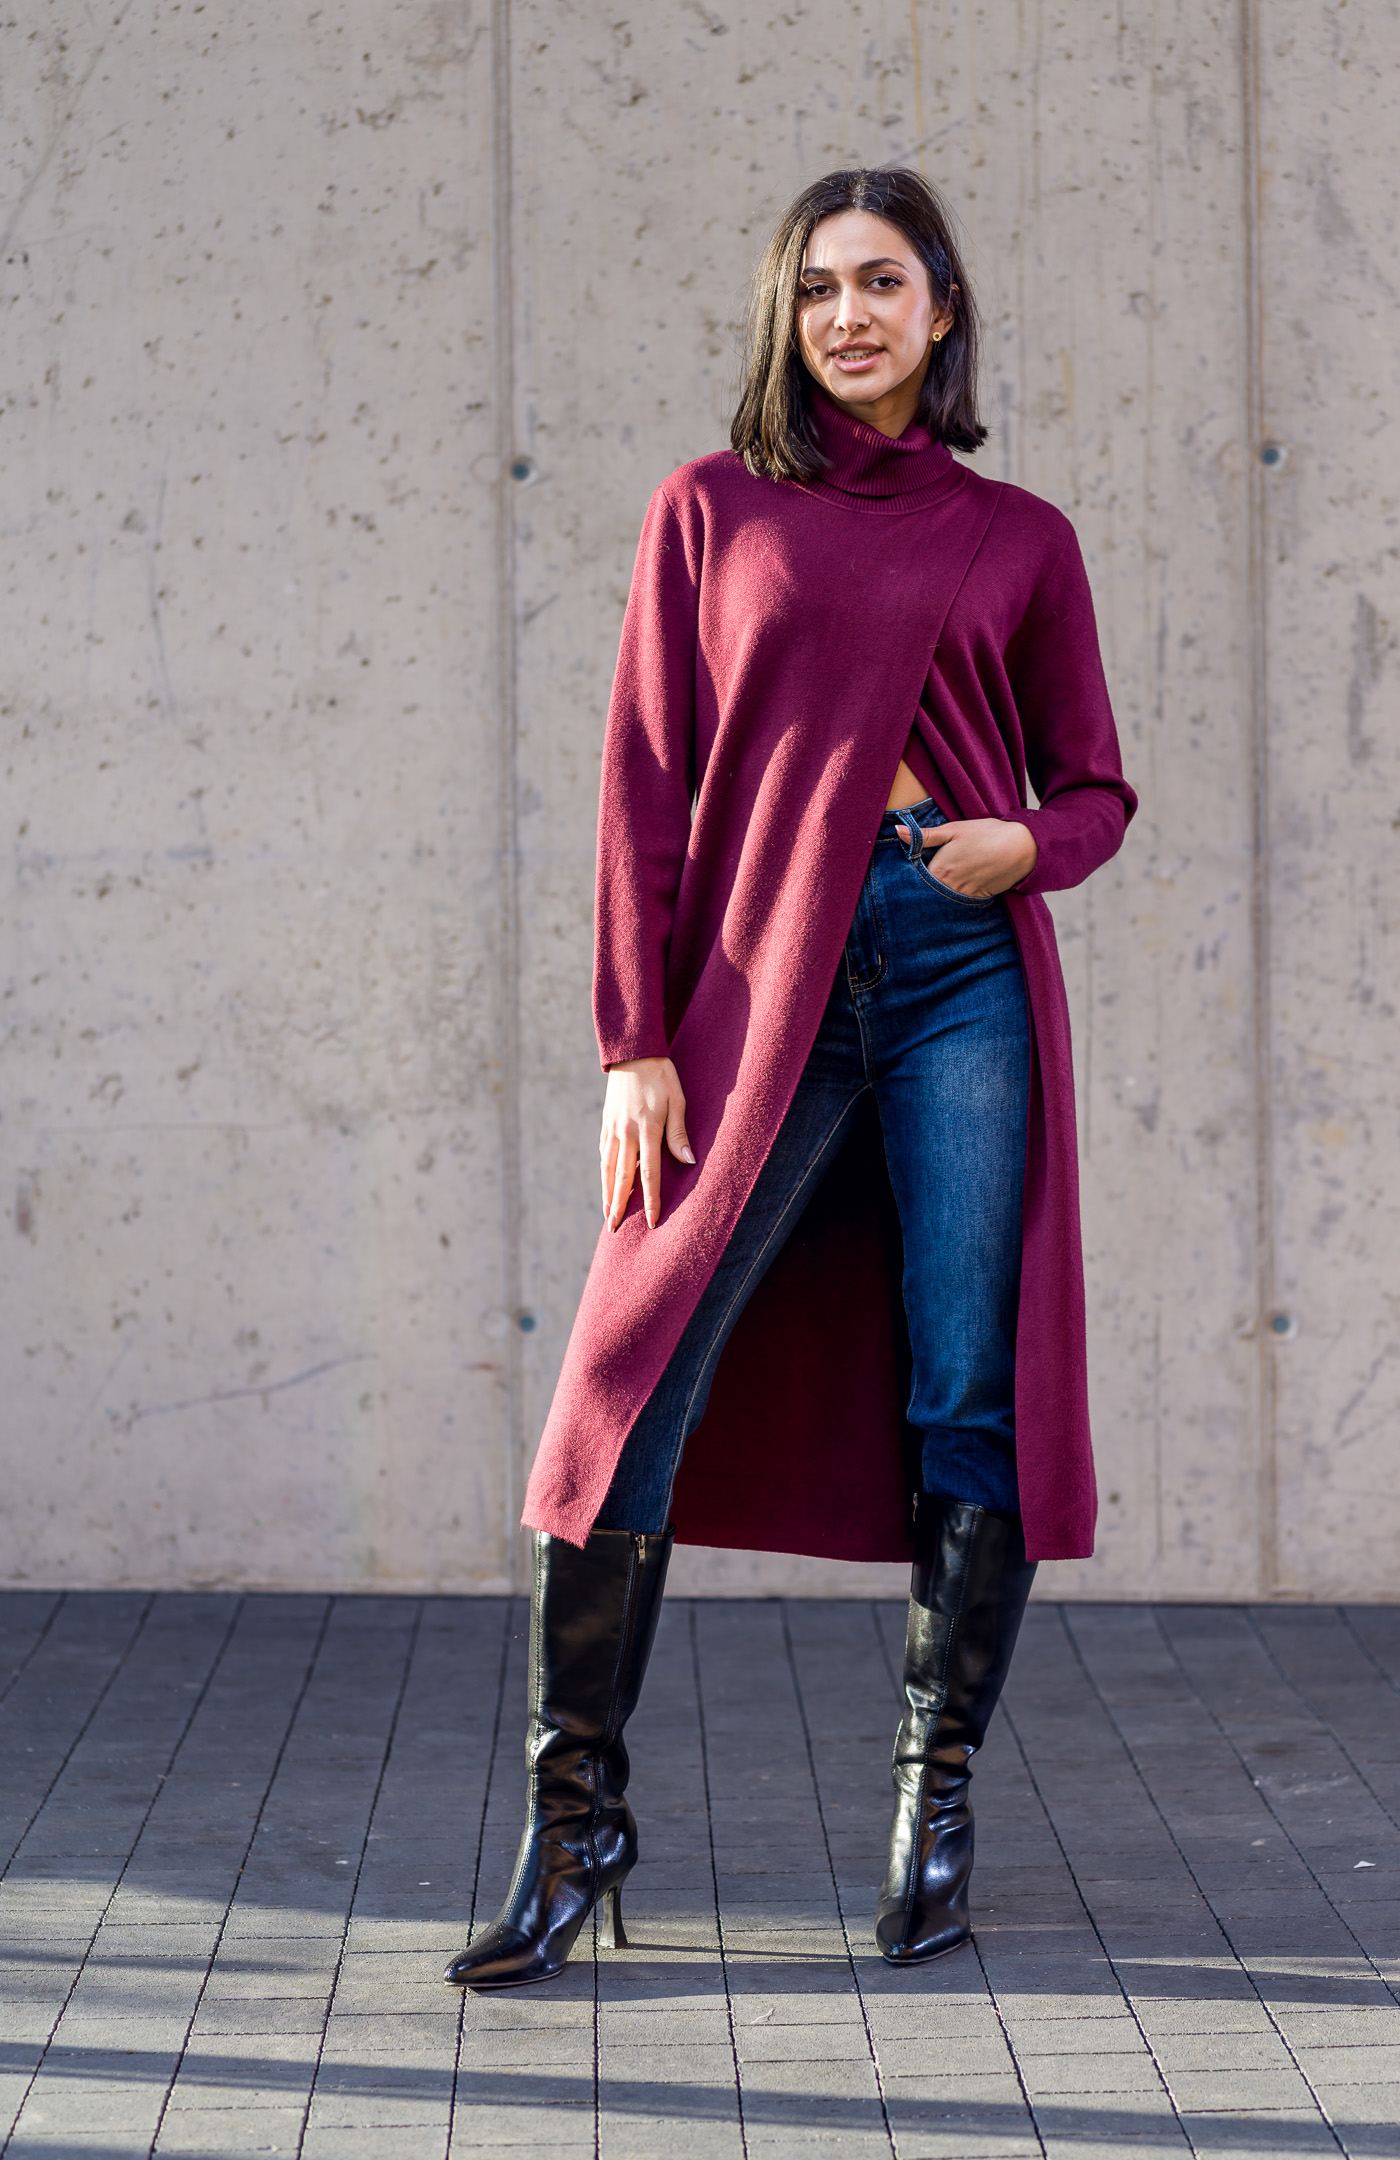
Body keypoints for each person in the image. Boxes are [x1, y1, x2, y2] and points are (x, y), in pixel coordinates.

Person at [444, 166, 1136, 1992]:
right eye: (821, 287)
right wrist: (631, 1040)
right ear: (786, 313)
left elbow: (1094, 788)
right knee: (627, 1383)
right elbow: (643, 784)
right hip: (761, 987)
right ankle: (576, 1826)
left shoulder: (1018, 536)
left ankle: (935, 1805)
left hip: (957, 970)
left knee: (969, 1385)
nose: (851, 316)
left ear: (940, 309)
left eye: (884, 283)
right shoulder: (711, 509)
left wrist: (1023, 848)